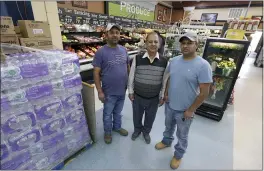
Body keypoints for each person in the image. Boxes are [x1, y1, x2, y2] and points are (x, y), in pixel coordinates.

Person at [155, 31, 213, 169]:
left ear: (196, 45)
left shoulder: (203, 65)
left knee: (182, 134)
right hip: (170, 105)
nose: (185, 46)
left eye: (189, 43)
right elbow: (170, 78)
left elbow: (204, 92)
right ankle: (166, 141)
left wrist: (191, 110)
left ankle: (178, 154)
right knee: (168, 127)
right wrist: (166, 94)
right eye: (183, 43)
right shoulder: (174, 61)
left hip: (185, 110)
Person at [92, 24, 130, 144]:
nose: (115, 35)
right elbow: (96, 73)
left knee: (118, 112)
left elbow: (127, 67)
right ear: (106, 35)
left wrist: (130, 86)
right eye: (112, 32)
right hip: (108, 92)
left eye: (117, 32)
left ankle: (117, 127)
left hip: (122, 90)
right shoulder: (100, 52)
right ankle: (107, 132)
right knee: (107, 114)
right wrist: (99, 91)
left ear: (120, 35)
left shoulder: (124, 50)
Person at [128, 32, 168, 144]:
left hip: (154, 98)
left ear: (159, 44)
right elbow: (131, 76)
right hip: (138, 96)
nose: (153, 44)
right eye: (150, 41)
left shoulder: (164, 61)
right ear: (145, 43)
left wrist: (162, 95)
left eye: (156, 42)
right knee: (137, 116)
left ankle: (146, 132)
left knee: (150, 118)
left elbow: (164, 80)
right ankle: (137, 130)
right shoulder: (138, 58)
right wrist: (130, 92)